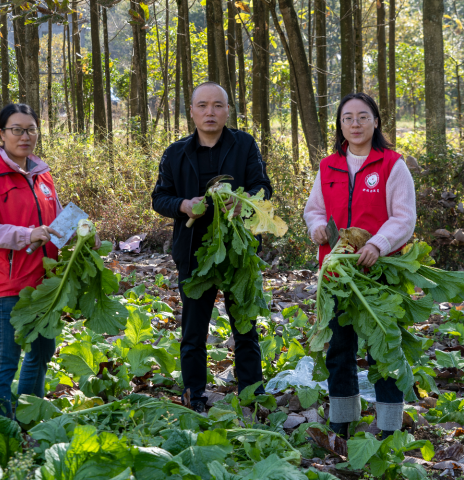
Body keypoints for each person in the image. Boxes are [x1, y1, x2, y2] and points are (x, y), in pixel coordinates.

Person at [151, 82, 273, 413]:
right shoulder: (176, 153)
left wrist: (243, 202)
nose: (210, 112)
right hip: (193, 253)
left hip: (238, 253)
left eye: (218, 105)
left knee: (245, 329)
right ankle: (195, 397)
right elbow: (159, 198)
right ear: (191, 111)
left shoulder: (244, 145)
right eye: (202, 105)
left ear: (227, 111)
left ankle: (251, 396)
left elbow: (263, 186)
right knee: (193, 331)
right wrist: (183, 205)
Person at [303, 93, 416, 439]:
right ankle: (342, 420)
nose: (355, 124)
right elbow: (314, 210)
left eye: (363, 117)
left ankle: (389, 427)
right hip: (337, 275)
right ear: (340, 124)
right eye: (348, 118)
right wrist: (316, 227)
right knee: (339, 348)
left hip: (381, 274)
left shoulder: (392, 165)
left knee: (384, 349)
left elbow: (404, 217)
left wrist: (378, 245)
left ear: (376, 122)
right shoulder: (328, 166)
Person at [0, 103, 86, 417]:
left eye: (31, 129)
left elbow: (57, 224)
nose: (25, 136)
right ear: (1, 134)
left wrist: (82, 231)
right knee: (5, 360)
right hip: (8, 282)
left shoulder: (42, 174)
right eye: (16, 129)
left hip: (47, 285)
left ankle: (30, 416)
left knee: (42, 353)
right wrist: (26, 235)